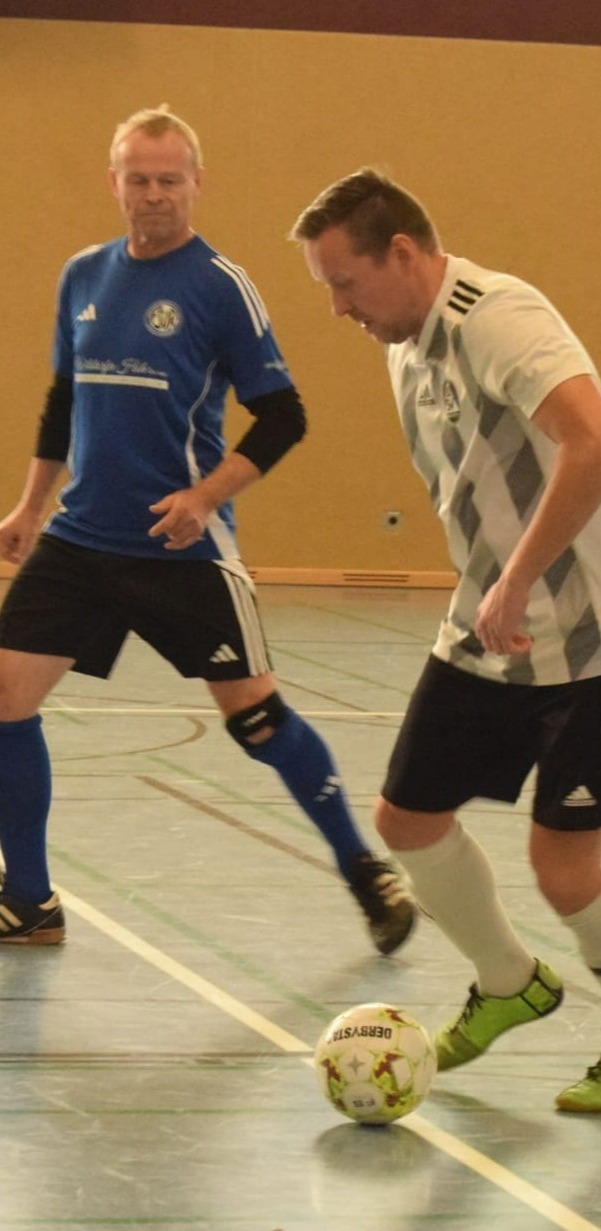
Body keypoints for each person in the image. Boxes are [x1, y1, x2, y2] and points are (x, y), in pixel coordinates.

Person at [0, 107, 414, 956]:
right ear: (113, 182)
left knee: (256, 721)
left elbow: (282, 415)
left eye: (169, 180)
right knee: (0, 693)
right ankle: (29, 898)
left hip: (180, 546)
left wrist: (204, 495)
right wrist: (29, 504)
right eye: (138, 178)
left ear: (196, 184)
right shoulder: (82, 275)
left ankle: (363, 868)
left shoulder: (219, 284)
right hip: (81, 538)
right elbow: (61, 400)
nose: (153, 195)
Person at [291, 167, 601, 1112]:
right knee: (407, 822)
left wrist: (516, 579)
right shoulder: (402, 344)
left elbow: (590, 439)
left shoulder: (495, 315)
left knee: (566, 863)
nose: (338, 308)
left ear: (404, 253)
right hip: (491, 632)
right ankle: (511, 983)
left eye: (346, 283)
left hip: (592, 637)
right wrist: (493, 589)